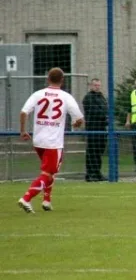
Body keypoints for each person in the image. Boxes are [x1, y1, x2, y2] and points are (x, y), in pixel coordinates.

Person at [17, 68, 84, 213]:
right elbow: (79, 119)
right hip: (53, 142)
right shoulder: (66, 96)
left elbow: (23, 112)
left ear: (48, 79)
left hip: (38, 140)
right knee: (47, 173)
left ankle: (47, 201)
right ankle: (26, 198)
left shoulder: (38, 94)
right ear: (62, 80)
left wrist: (23, 131)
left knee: (49, 172)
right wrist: (75, 124)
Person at [82, 78, 108, 182]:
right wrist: (103, 115)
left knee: (99, 151)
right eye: (95, 85)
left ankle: (97, 172)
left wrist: (105, 116)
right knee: (92, 151)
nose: (97, 87)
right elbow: (95, 111)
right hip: (93, 128)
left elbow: (106, 109)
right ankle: (90, 174)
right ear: (91, 86)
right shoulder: (88, 98)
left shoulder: (101, 97)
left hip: (102, 128)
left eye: (98, 85)